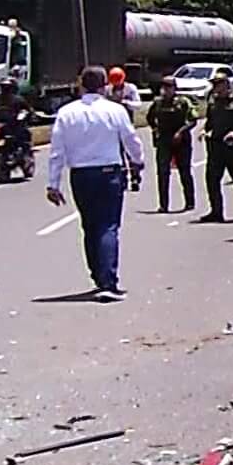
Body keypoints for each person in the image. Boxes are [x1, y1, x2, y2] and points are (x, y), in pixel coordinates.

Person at [47, 66, 145, 301]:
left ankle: (98, 276)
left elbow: (57, 151)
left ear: (81, 84)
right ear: (104, 86)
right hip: (109, 173)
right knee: (108, 226)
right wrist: (138, 161)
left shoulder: (66, 113)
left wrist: (53, 184)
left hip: (80, 176)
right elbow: (130, 138)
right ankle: (108, 281)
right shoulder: (115, 110)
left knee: (90, 227)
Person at [199, 69, 233, 224]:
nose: (215, 87)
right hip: (215, 146)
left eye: (218, 84)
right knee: (212, 179)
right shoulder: (213, 100)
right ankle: (216, 211)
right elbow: (210, 121)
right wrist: (204, 130)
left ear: (226, 84)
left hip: (232, 146)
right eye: (214, 84)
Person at [145, 76, 198, 213]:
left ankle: (190, 202)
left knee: (184, 171)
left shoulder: (183, 102)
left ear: (175, 88)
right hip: (164, 140)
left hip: (181, 141)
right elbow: (149, 118)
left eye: (169, 87)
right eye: (164, 87)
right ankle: (164, 205)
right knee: (163, 173)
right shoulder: (158, 103)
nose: (166, 90)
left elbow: (193, 120)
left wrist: (181, 132)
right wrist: (155, 129)